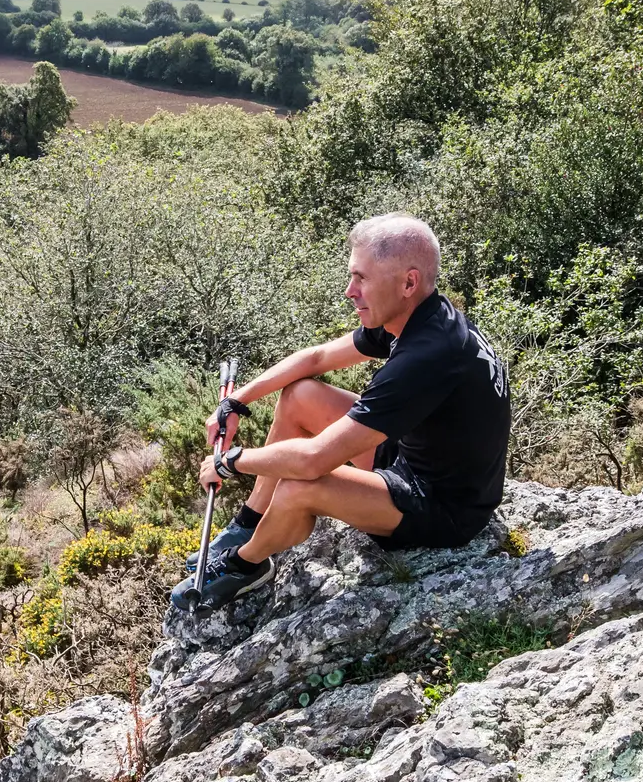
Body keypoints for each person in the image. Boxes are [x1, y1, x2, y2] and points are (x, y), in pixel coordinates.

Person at [177, 213, 511, 610]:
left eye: (362, 278)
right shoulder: (420, 316)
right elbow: (316, 358)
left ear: (408, 282)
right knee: (301, 395)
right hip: (411, 459)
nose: (350, 291)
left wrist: (231, 462)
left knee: (302, 485)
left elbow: (314, 459)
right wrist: (235, 402)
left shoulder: (427, 356)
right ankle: (249, 521)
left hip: (443, 509)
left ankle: (246, 563)